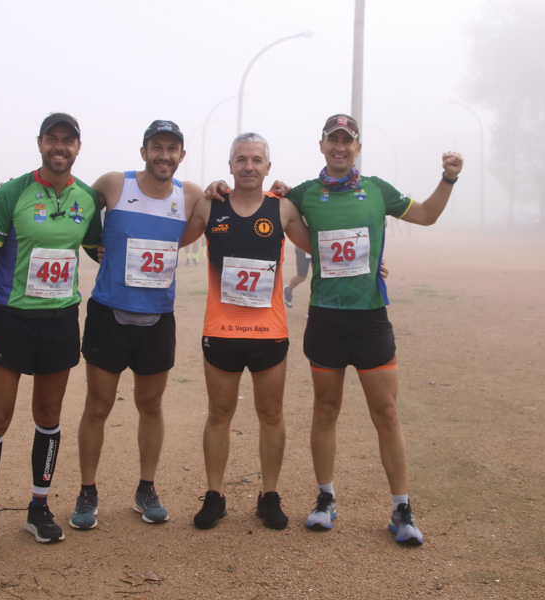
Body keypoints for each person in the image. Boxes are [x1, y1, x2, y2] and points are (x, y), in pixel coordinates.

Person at [221, 113, 461, 546]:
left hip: (370, 319)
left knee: (386, 413)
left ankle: (401, 508)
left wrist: (448, 179)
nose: (340, 147)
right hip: (326, 319)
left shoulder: (378, 190)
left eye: (347, 140)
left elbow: (425, 215)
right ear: (321, 146)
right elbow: (266, 207)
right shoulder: (304, 195)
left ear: (356, 147)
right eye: (333, 140)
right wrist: (224, 188)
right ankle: (325, 499)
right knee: (325, 410)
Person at [0, 113, 102, 559]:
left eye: (68, 141)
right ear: (40, 143)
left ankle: (39, 508)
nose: (60, 147)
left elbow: (100, 250)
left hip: (59, 321)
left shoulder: (88, 199)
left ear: (78, 147)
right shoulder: (12, 193)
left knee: (49, 415)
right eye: (52, 139)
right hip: (11, 319)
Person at [70, 120, 205, 530]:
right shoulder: (113, 184)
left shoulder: (192, 195)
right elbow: (79, 216)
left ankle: (146, 489)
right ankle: (87, 491)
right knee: (98, 406)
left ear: (182, 155)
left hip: (157, 318)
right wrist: (101, 253)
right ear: (144, 151)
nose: (164, 155)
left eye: (173, 149)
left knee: (151, 406)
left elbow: (231, 213)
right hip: (109, 313)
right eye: (157, 147)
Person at [177, 133, 311, 530]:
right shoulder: (211, 203)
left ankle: (269, 496)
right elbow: (173, 239)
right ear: (230, 165)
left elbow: (318, 242)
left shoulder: (283, 207)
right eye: (241, 159)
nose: (249, 166)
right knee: (219, 413)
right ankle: (214, 495)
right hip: (221, 331)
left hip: (268, 333)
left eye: (256, 159)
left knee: (270, 414)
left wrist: (373, 261)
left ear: (268, 167)